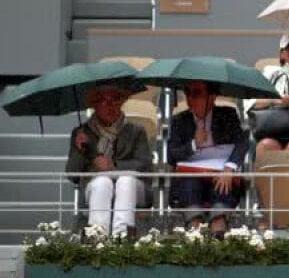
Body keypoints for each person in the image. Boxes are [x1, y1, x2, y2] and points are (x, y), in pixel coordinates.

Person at [65, 85, 154, 238]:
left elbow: (145, 166)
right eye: (103, 101)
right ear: (94, 104)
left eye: (115, 100)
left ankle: (122, 237)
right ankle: (97, 236)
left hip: (134, 186)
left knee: (125, 180)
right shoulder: (81, 132)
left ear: (122, 102)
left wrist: (115, 167)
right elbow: (72, 174)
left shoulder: (136, 131)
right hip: (95, 186)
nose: (110, 105)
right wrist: (80, 149)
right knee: (102, 182)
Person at [167, 80, 248, 237]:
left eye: (196, 93)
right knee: (189, 185)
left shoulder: (228, 115)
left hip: (220, 175)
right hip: (190, 178)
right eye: (187, 93)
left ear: (212, 97)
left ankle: (218, 234)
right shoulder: (179, 120)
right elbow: (171, 156)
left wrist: (229, 168)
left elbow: (242, 143)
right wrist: (194, 144)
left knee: (223, 187)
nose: (190, 98)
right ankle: (195, 237)